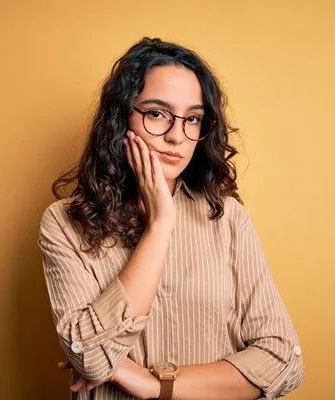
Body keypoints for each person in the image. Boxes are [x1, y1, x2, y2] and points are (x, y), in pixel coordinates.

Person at [38, 37, 304, 400]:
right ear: (121, 118)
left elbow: (283, 359)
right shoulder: (63, 223)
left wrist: (154, 384)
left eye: (193, 119)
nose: (177, 136)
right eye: (157, 113)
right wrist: (160, 226)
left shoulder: (227, 218)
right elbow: (94, 361)